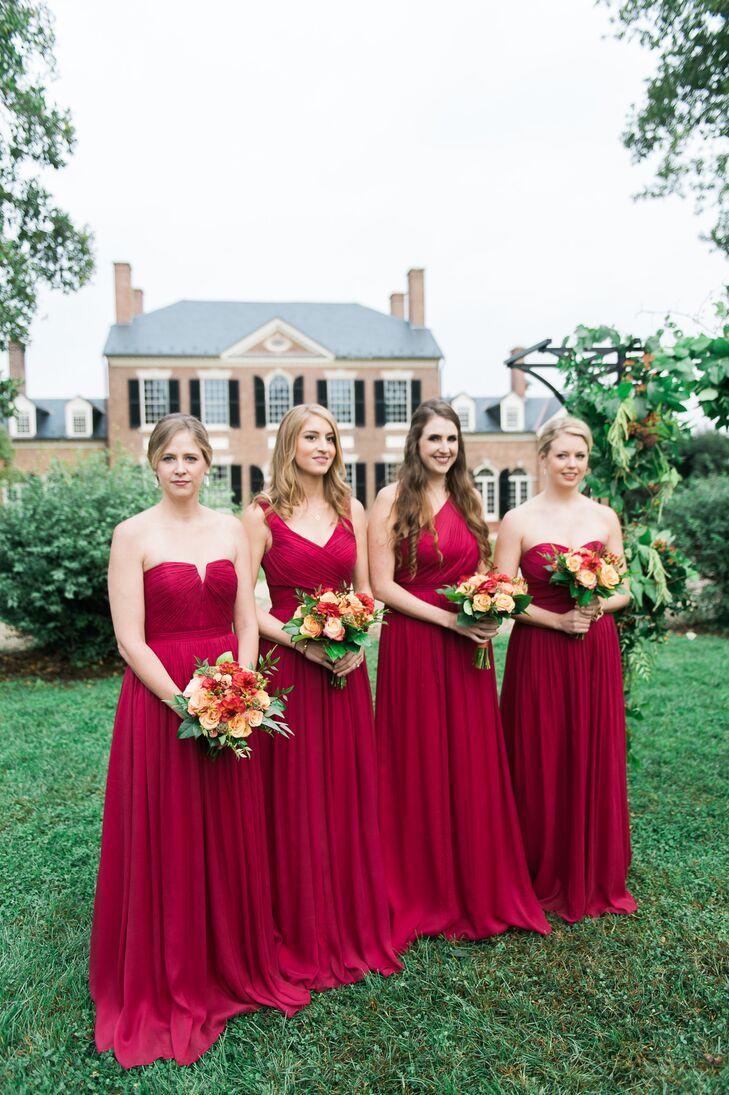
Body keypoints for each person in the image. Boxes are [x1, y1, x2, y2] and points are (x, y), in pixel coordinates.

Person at [90, 413, 309, 1069]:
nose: (181, 467)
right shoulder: (131, 535)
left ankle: (232, 954)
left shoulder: (230, 531)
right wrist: (188, 701)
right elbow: (130, 638)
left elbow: (247, 617)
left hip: (229, 693)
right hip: (162, 701)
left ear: (208, 463)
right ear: (153, 464)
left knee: (226, 822)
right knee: (171, 826)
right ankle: (173, 961)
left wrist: (237, 687)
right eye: (169, 457)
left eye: (191, 456)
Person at [368, 399, 550, 950]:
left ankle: (477, 881)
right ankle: (420, 886)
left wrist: (486, 608)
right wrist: (449, 617)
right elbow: (382, 585)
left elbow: (483, 573)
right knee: (417, 758)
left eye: (451, 439)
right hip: (416, 643)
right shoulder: (390, 498)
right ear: (415, 445)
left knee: (470, 759)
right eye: (434, 440)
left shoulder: (469, 497)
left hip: (469, 647)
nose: (444, 448)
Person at [242, 404, 401, 990]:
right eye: (311, 436)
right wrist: (304, 644)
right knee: (292, 792)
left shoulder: (350, 509)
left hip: (345, 669)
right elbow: (246, 605)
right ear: (289, 443)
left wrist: (358, 637)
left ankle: (347, 915)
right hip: (289, 664)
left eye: (330, 437)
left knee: (342, 787)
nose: (323, 446)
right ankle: (296, 919)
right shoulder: (261, 516)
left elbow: (364, 591)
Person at [494, 415, 636, 923]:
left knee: (589, 747)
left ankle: (594, 865)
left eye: (579, 455)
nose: (571, 464)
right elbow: (501, 595)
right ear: (544, 457)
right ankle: (540, 866)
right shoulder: (518, 520)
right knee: (541, 748)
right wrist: (556, 618)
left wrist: (597, 606)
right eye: (562, 455)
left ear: (587, 459)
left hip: (593, 648)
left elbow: (623, 589)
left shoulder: (604, 518)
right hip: (540, 650)